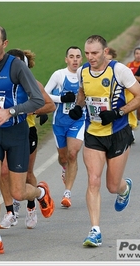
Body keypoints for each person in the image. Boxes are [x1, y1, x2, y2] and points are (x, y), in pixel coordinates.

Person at [0, 25, 55, 256]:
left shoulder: (16, 68)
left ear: (4, 44)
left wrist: (11, 111)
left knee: (18, 192)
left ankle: (41, 193)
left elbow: (37, 100)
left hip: (16, 133)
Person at [68, 34, 140, 247]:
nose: (90, 57)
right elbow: (83, 93)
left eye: (95, 53)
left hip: (118, 133)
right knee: (93, 180)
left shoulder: (119, 71)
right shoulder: (83, 71)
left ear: (105, 52)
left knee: (112, 186)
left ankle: (124, 188)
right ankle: (95, 230)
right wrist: (78, 107)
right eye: (87, 53)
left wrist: (118, 112)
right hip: (93, 133)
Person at [0, 48, 55, 230]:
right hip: (6, 131)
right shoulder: (2, 83)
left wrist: (33, 110)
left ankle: (31, 207)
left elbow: (50, 105)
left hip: (27, 131)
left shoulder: (32, 83)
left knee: (27, 174)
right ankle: (10, 212)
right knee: (4, 172)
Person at [44, 46, 85, 208]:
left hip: (78, 120)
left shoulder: (86, 75)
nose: (75, 59)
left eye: (78, 56)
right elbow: (44, 94)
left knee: (73, 154)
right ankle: (64, 168)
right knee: (63, 157)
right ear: (66, 59)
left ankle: (67, 193)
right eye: (71, 56)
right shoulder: (59, 75)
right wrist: (61, 98)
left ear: (82, 59)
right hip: (60, 122)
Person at [126, 47, 140, 125]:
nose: (138, 56)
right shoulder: (129, 65)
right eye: (137, 53)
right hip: (130, 92)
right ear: (134, 55)